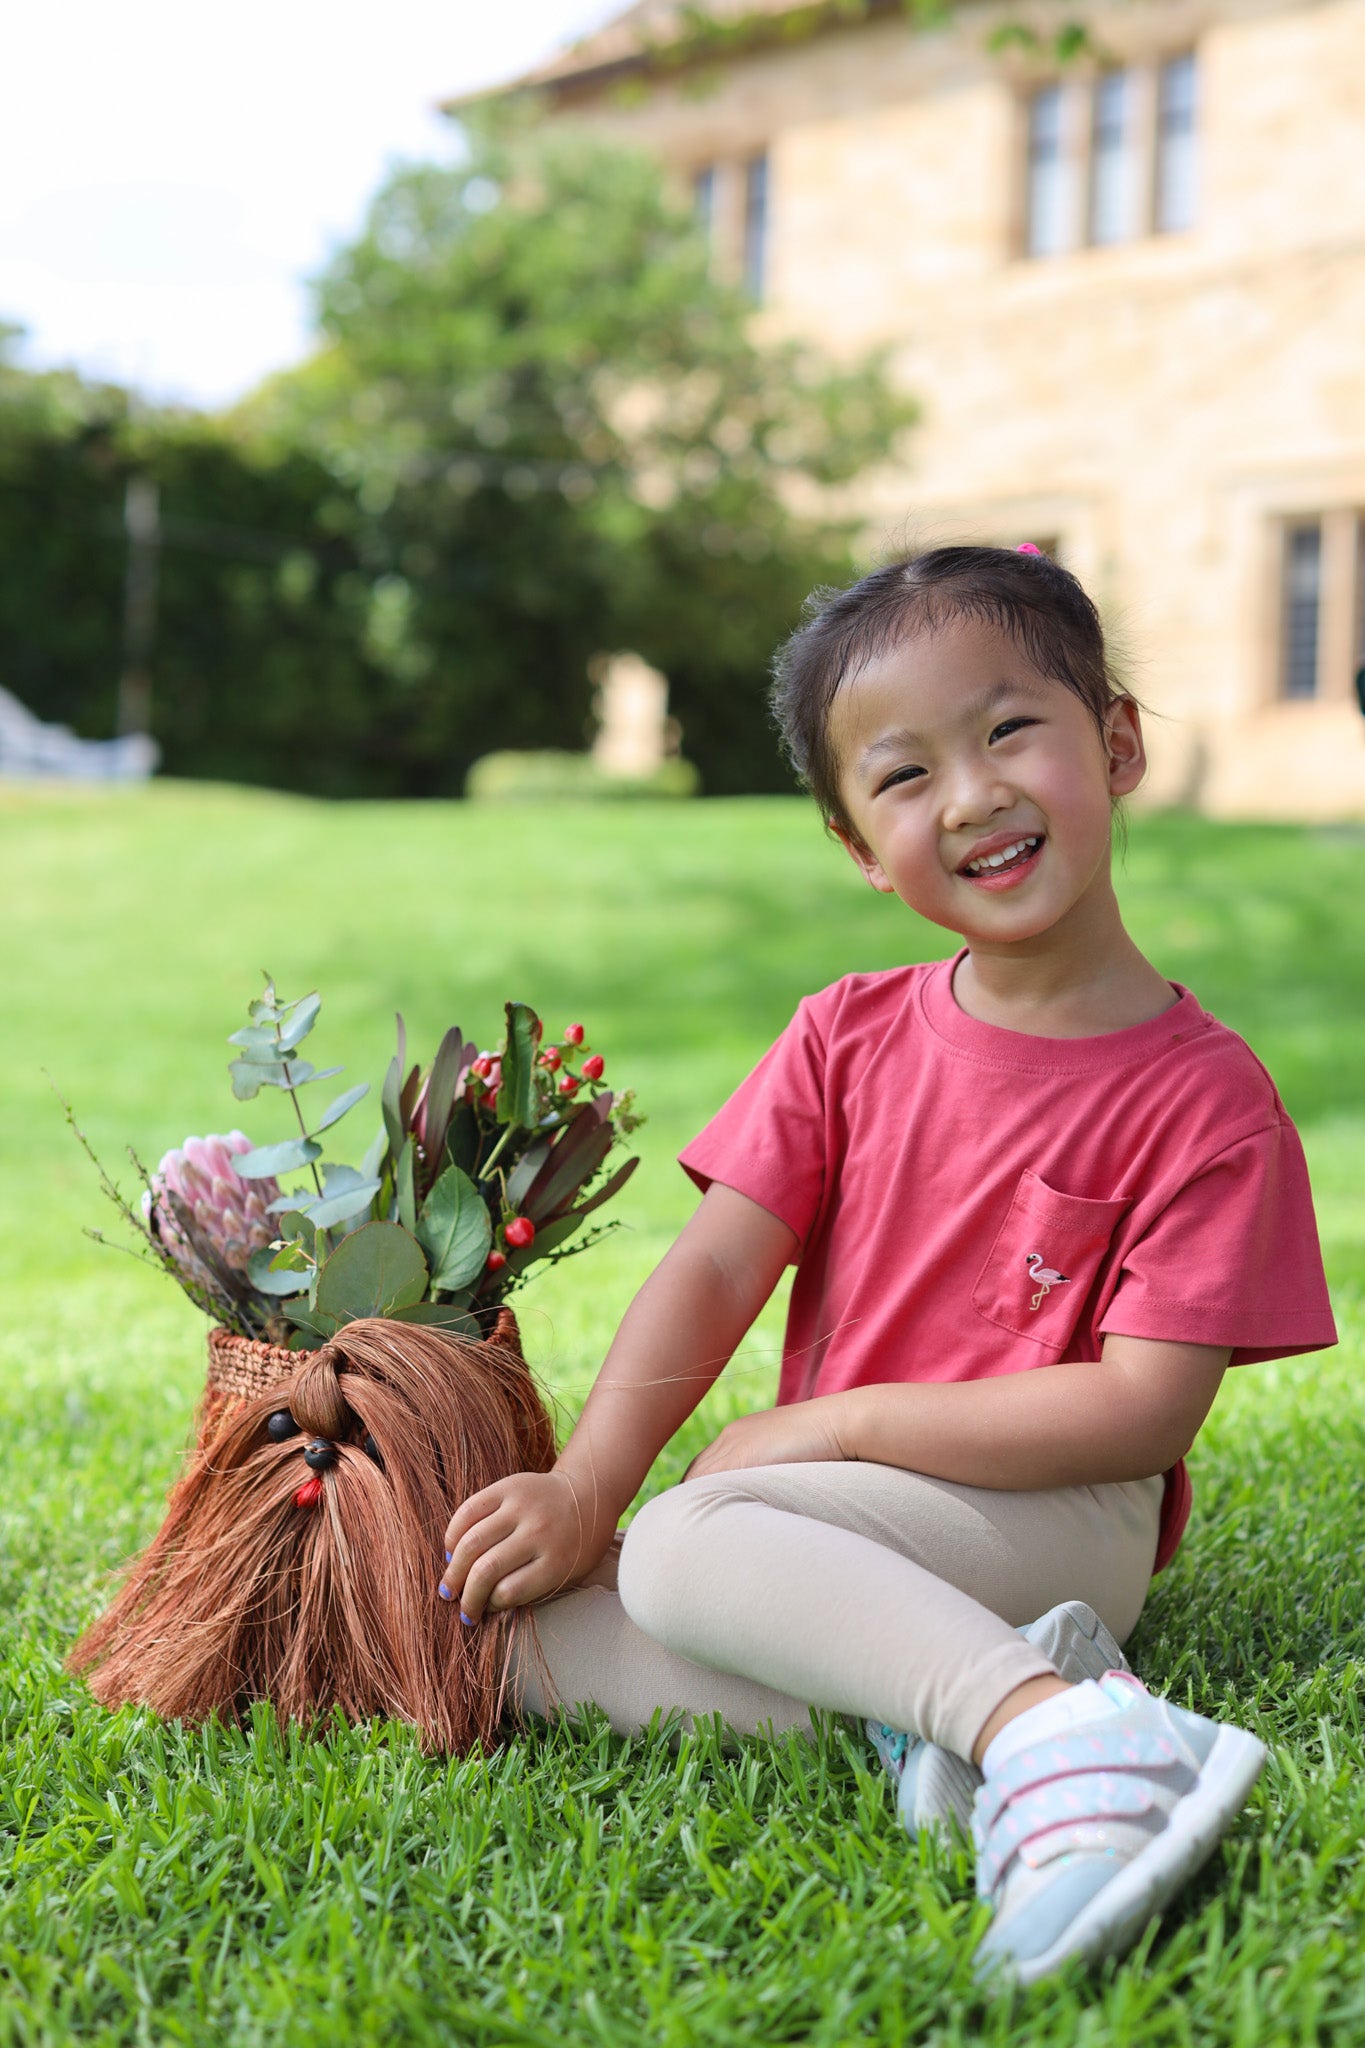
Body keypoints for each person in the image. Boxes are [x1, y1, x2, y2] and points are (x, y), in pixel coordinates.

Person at [440, 543, 1336, 1984]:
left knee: (682, 1550)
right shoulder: (843, 1036)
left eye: (1006, 731)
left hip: (1053, 1509)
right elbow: (714, 1273)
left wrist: (828, 1425)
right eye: (903, 775)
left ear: (1114, 745)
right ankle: (954, 1707)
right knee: (523, 1655)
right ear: (862, 849)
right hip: (839, 1524)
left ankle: (1066, 1738)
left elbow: (1144, 1412)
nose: (971, 794)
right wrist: (585, 1482)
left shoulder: (1202, 1098)